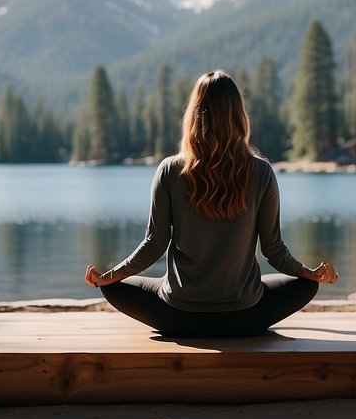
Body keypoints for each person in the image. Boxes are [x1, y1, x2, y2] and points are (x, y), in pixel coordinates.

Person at [84, 70, 338, 337]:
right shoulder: (261, 172)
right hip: (244, 318)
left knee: (112, 287)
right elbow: (274, 250)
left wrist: (110, 276)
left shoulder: (170, 171)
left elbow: (154, 244)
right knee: (307, 285)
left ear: (194, 115)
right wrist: (310, 273)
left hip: (178, 317)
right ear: (239, 116)